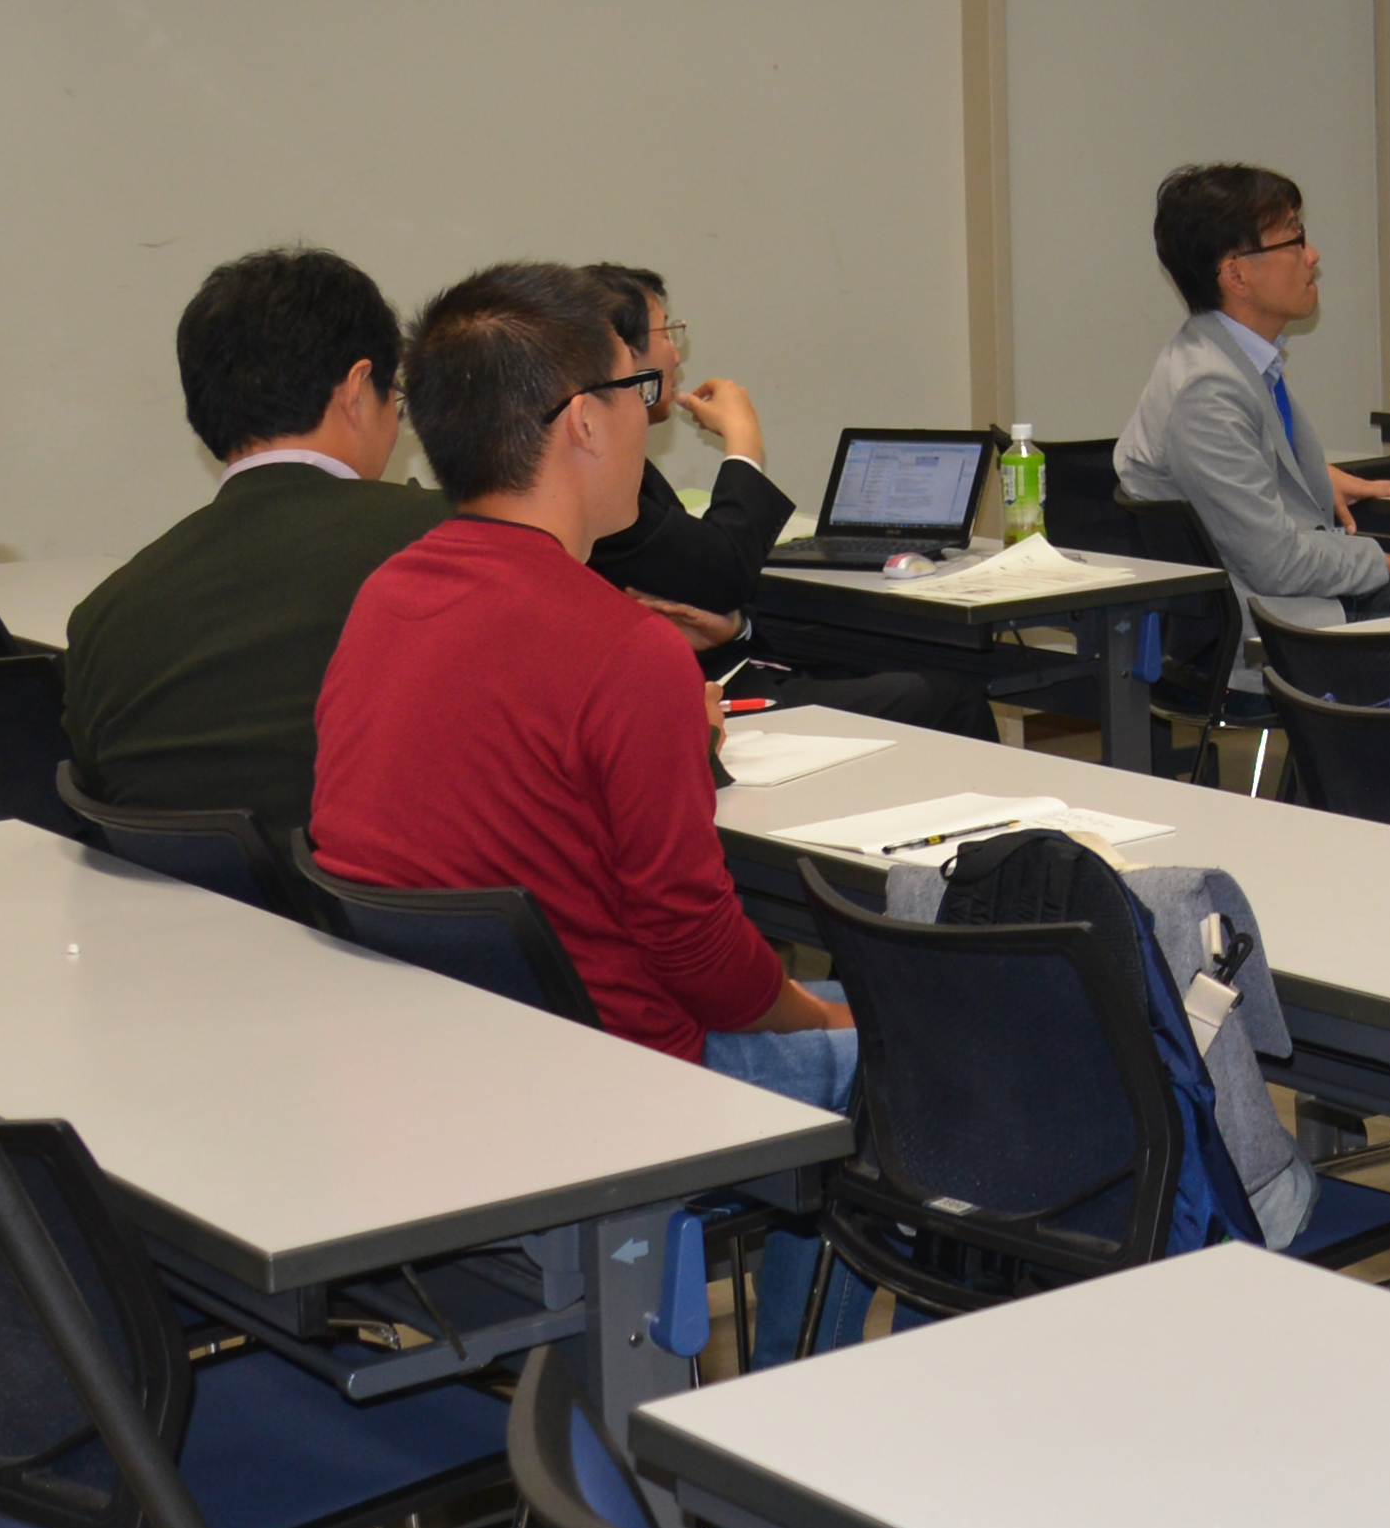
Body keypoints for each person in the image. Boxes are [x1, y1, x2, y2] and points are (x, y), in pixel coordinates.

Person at [310, 263, 867, 1358]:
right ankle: (804, 1409)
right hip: (623, 1085)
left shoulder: (388, 597)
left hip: (441, 1072)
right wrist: (824, 1017)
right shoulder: (625, 649)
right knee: (956, 1047)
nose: (648, 417)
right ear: (582, 421)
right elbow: (697, 948)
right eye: (638, 392)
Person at [64, 248, 448, 840]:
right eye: (392, 398)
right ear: (355, 390)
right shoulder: (450, 543)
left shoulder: (103, 615)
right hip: (380, 890)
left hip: (172, 895)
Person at [1114, 164, 1390, 626]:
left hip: (1302, 599)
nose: (1312, 256)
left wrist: (1315, 479)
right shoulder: (1208, 391)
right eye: (1293, 241)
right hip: (1289, 625)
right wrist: (1379, 561)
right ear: (1237, 276)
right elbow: (1276, 563)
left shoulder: (1222, 359)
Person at [576, 264, 995, 739]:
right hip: (695, 696)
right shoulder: (598, 478)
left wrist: (735, 628)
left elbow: (698, 592)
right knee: (949, 698)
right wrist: (744, 443)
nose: (675, 353)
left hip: (724, 661)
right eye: (665, 332)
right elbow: (722, 575)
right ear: (620, 354)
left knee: (910, 677)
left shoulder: (614, 467)